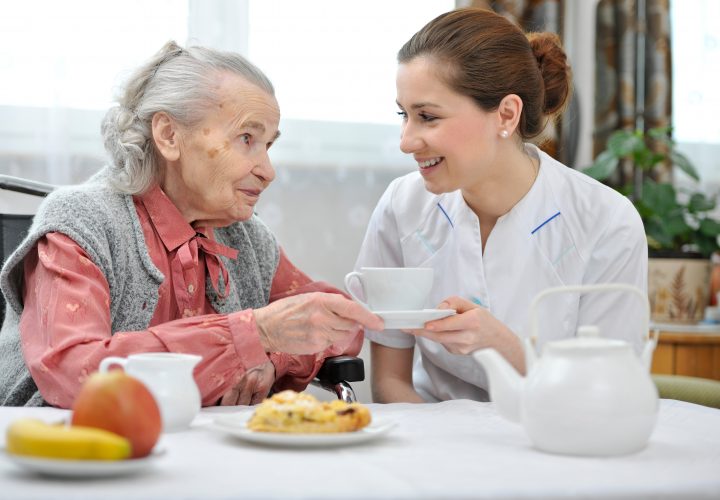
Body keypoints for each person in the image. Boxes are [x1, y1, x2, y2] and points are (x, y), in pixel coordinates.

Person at [0, 41, 383, 408]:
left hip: (202, 454)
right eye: (246, 138)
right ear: (169, 135)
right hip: (74, 451)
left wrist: (274, 355)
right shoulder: (81, 223)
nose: (268, 172)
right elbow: (74, 371)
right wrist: (255, 334)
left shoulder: (245, 236)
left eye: (268, 145)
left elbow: (343, 322)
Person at [353, 8, 648, 403]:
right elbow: (392, 384)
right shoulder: (402, 205)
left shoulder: (607, 222)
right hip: (429, 439)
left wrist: (502, 344)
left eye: (427, 116)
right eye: (403, 115)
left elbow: (608, 392)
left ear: (506, 114)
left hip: (556, 441)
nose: (406, 140)